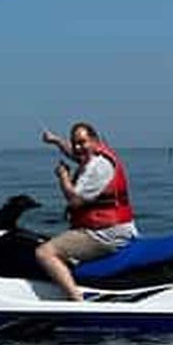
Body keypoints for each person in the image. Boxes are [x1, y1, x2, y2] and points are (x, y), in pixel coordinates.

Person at [35, 121, 138, 300]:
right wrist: (56, 141)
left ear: (94, 140)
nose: (77, 147)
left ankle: (77, 301)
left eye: (82, 142)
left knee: (44, 252)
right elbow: (75, 154)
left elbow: (74, 200)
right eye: (75, 142)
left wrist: (63, 177)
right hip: (109, 228)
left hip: (105, 234)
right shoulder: (95, 156)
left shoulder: (98, 167)